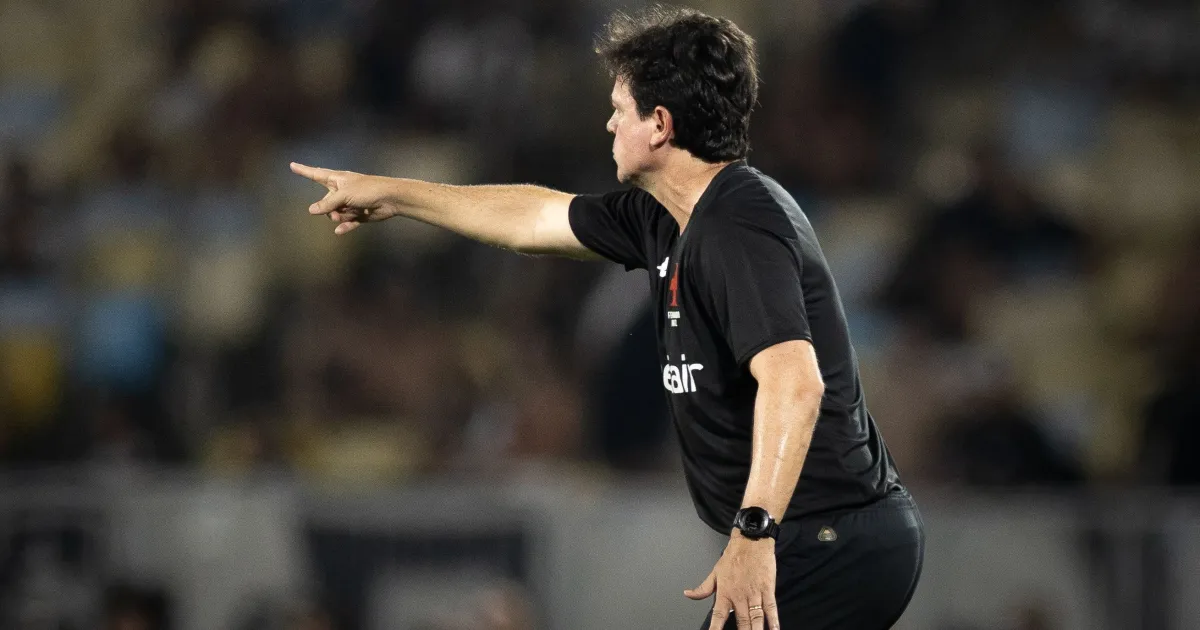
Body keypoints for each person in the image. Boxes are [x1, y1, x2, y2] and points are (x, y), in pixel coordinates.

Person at [291, 6, 923, 629]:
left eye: (621, 109)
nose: (609, 122)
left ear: (660, 125)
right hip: (819, 540)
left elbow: (796, 382)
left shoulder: (739, 223)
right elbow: (533, 216)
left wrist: (754, 534)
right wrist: (396, 194)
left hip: (831, 541)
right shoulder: (665, 219)